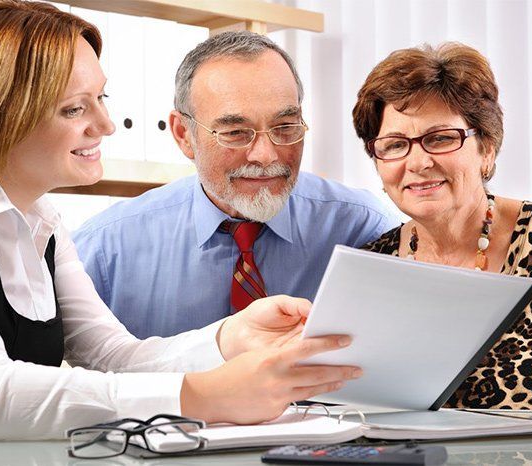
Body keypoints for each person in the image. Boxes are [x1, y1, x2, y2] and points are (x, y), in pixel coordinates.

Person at [0, 0, 361, 441]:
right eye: (74, 108)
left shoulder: (43, 221)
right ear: (0, 113)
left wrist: (230, 337)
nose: (105, 124)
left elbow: (110, 356)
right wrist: (203, 395)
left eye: (101, 97)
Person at [73, 31, 396, 338]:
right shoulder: (105, 250)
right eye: (236, 133)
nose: (266, 155)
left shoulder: (360, 227)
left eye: (285, 127)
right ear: (184, 135)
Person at [353, 42, 532, 410]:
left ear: (486, 148)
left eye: (440, 139)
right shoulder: (371, 267)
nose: (417, 162)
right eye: (395, 144)